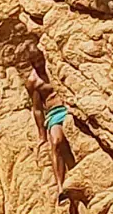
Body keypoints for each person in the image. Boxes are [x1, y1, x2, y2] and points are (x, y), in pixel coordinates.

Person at [24, 67, 76, 205]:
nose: (38, 63)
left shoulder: (54, 65)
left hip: (70, 106)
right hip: (54, 113)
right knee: (56, 142)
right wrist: (42, 135)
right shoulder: (33, 81)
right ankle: (61, 187)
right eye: (34, 61)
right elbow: (37, 109)